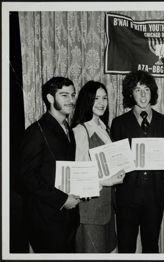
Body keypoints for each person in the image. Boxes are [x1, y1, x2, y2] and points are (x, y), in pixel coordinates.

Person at [110, 70, 164, 253]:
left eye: (146, 89)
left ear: (152, 92)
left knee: (151, 247)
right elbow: (113, 161)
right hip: (127, 197)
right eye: (138, 90)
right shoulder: (119, 123)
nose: (143, 94)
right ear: (130, 93)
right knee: (126, 247)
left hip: (155, 196)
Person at [19, 77, 80, 253]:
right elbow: (26, 177)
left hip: (67, 218)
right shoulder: (36, 131)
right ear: (50, 98)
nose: (71, 100)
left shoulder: (67, 128)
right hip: (46, 221)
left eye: (73, 95)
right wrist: (62, 200)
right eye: (64, 95)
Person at [71, 81, 125, 253]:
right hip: (90, 211)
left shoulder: (103, 127)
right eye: (96, 98)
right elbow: (78, 176)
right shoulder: (81, 130)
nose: (101, 103)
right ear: (87, 101)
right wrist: (107, 181)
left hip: (107, 208)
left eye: (104, 98)